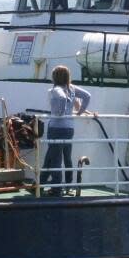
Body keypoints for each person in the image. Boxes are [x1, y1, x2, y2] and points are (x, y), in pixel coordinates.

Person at [40, 64, 92, 194]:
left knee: (55, 159)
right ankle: (62, 185)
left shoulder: (56, 89)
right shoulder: (72, 88)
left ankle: (56, 188)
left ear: (55, 77)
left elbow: (62, 97)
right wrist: (80, 112)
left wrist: (60, 112)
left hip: (56, 128)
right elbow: (87, 96)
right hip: (69, 128)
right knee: (65, 157)